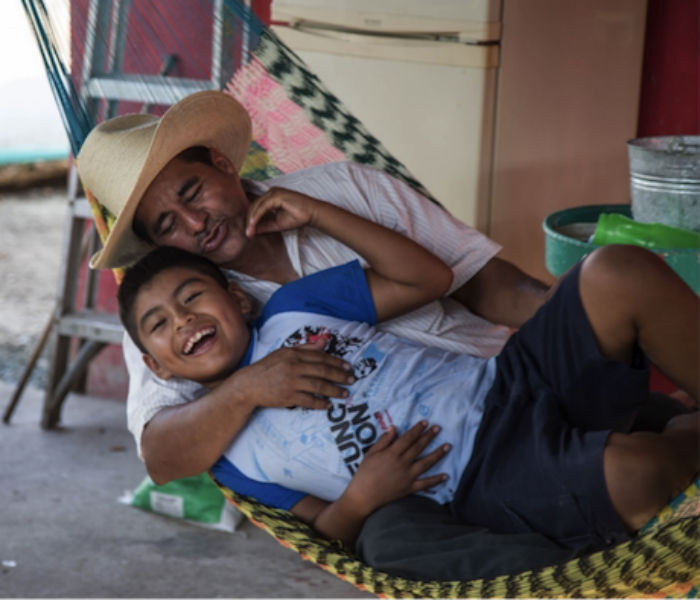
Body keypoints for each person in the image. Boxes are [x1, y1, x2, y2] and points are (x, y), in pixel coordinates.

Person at [78, 89, 694, 577]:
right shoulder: (166, 304)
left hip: (501, 378)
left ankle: (630, 439)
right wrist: (249, 388)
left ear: (221, 163)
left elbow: (475, 283)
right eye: (169, 224)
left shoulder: (341, 194)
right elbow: (161, 454)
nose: (195, 223)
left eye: (193, 192)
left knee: (613, 272)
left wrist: (585, 326)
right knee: (394, 540)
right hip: (443, 474)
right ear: (157, 243)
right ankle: (592, 547)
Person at [116, 188, 698, 553]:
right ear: (154, 365)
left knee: (615, 270)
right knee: (638, 472)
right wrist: (362, 498)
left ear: (239, 300)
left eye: (193, 296)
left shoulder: (294, 307)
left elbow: (428, 279)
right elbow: (325, 529)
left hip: (507, 380)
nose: (184, 320)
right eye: (160, 325)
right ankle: (674, 434)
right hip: (481, 475)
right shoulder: (228, 455)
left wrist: (319, 212)